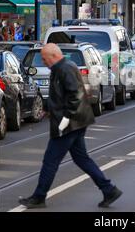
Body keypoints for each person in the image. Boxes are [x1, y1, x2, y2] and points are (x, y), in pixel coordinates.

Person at [18, 43, 122, 209]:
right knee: (82, 159)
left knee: (50, 160)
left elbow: (75, 96)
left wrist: (64, 120)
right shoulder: (62, 67)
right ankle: (109, 189)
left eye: (44, 59)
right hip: (76, 121)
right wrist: (48, 109)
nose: (43, 62)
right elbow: (61, 95)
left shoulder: (64, 69)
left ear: (53, 56)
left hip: (69, 123)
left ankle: (39, 196)